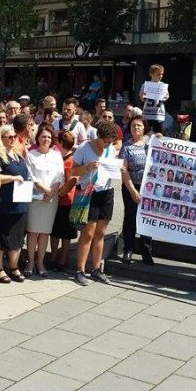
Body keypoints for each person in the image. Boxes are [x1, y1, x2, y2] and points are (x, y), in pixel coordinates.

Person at [72, 121, 118, 285]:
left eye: (111, 141)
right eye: (105, 141)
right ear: (98, 136)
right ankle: (80, 270)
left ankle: (97, 269)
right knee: (88, 232)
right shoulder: (84, 148)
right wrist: (87, 167)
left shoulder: (110, 149)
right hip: (89, 192)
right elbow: (73, 170)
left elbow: (113, 166)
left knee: (101, 232)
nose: (108, 144)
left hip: (106, 192)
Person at [0, 123, 30, 283]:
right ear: (1, 138)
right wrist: (13, 178)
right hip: (5, 202)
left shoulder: (18, 154)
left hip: (20, 202)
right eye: (9, 137)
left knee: (17, 237)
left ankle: (13, 267)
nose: (13, 139)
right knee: (2, 237)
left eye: (15, 136)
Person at [25, 123, 65, 277]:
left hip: (51, 200)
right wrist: (45, 191)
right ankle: (30, 262)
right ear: (38, 138)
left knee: (44, 233)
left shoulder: (56, 155)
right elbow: (31, 177)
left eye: (49, 137)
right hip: (36, 198)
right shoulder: (31, 155)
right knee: (33, 232)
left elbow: (60, 176)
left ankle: (41, 263)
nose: (46, 139)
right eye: (43, 136)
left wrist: (51, 191)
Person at [121, 116, 150, 264]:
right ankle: (128, 249)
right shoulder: (126, 146)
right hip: (130, 186)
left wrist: (160, 137)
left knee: (147, 218)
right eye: (133, 125)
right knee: (130, 218)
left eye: (139, 125)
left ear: (144, 127)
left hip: (149, 188)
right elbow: (124, 170)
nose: (136, 128)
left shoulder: (151, 143)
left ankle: (146, 251)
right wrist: (133, 190)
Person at [50, 130, 78, 271]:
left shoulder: (70, 160)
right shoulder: (58, 157)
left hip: (66, 201)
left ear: (61, 143)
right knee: (54, 232)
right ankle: (53, 257)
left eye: (56, 140)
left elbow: (71, 181)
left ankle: (63, 259)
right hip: (56, 200)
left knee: (66, 234)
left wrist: (61, 193)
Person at [139, 64, 169, 133]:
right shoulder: (145, 85)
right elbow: (142, 99)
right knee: (145, 132)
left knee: (158, 133)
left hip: (158, 114)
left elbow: (167, 96)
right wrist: (142, 96)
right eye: (158, 74)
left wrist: (165, 97)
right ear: (151, 74)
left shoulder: (162, 85)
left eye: (162, 74)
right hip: (147, 113)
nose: (160, 76)